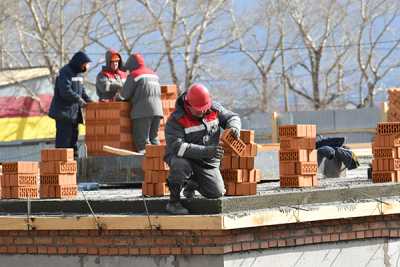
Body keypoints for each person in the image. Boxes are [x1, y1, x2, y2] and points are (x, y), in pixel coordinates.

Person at [163, 83, 241, 215]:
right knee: (180, 165)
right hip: (184, 158)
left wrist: (233, 128)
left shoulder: (213, 108)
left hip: (207, 162)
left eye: (205, 108)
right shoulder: (176, 120)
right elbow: (178, 147)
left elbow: (233, 117)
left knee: (217, 192)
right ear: (188, 105)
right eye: (200, 109)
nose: (204, 111)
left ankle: (192, 183)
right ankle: (174, 202)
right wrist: (207, 151)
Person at [48, 51, 93, 159]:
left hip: (74, 116)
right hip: (64, 114)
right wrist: (79, 100)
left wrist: (91, 102)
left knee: (73, 142)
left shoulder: (79, 75)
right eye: (85, 64)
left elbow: (82, 92)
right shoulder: (65, 72)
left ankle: (73, 167)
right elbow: (65, 91)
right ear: (79, 63)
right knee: (64, 143)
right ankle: (61, 167)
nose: (86, 67)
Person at [120, 53, 163, 153]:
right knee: (154, 140)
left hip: (142, 112)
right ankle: (159, 163)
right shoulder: (154, 74)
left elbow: (123, 95)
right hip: (158, 112)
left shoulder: (135, 75)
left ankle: (146, 166)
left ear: (132, 65)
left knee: (143, 143)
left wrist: (117, 96)